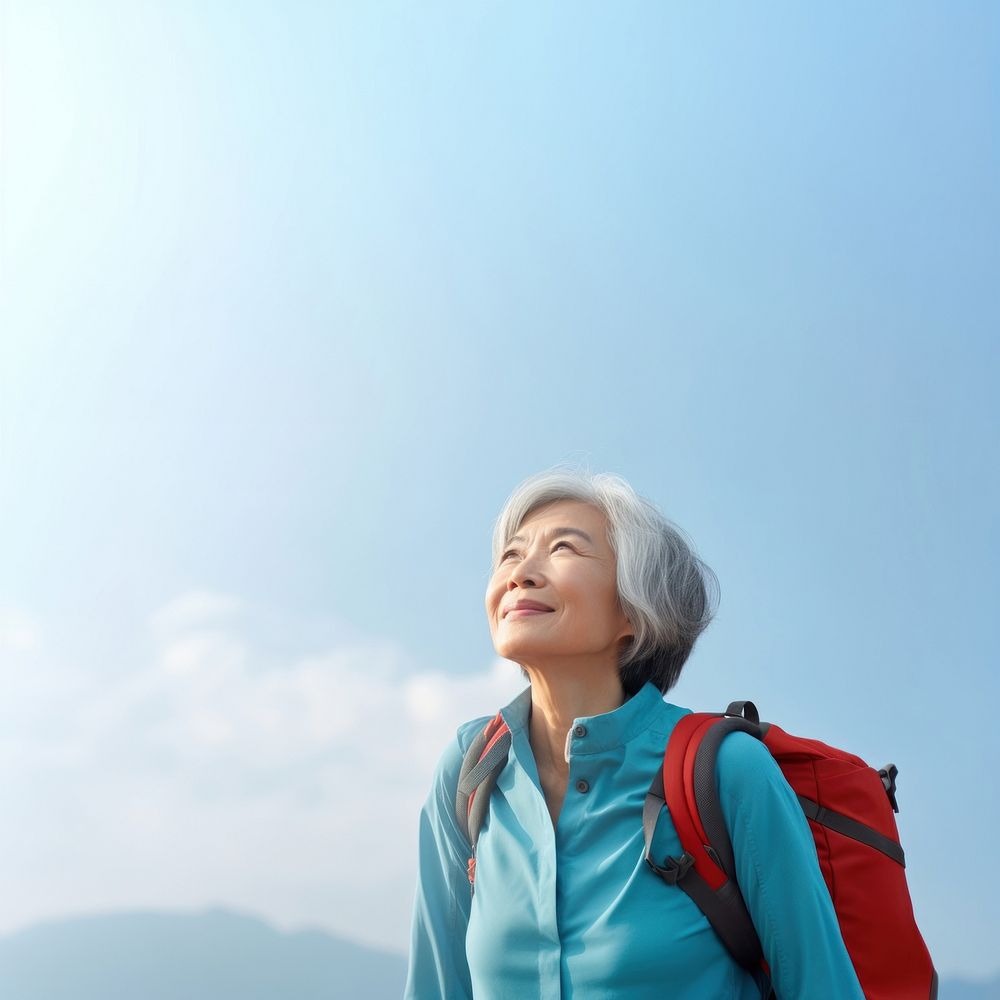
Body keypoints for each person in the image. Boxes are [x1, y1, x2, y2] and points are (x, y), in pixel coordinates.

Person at [405, 469, 864, 1000]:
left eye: (563, 550)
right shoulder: (470, 770)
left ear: (633, 608)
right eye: (511, 554)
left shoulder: (729, 773)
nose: (520, 573)